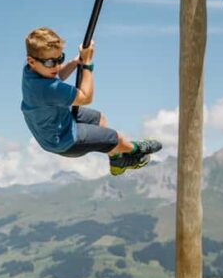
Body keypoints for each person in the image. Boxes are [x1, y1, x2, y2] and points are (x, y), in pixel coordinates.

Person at [21, 27, 161, 175]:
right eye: (50, 62)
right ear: (31, 61)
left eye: (59, 58)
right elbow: (85, 98)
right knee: (115, 137)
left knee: (99, 118)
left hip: (55, 121)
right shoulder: (46, 88)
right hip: (64, 140)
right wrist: (87, 63)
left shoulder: (32, 70)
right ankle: (135, 148)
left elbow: (58, 74)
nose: (56, 66)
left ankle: (117, 161)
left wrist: (76, 61)